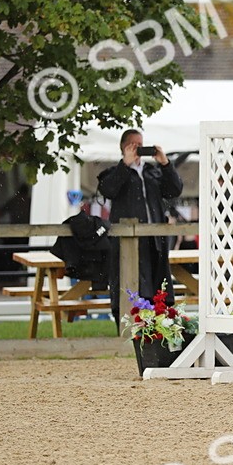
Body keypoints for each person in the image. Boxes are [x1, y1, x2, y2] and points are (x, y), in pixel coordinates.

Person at [97, 129, 184, 327]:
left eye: (141, 145)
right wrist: (125, 164)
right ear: (124, 147)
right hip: (127, 241)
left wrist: (165, 163)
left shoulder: (151, 172)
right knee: (129, 281)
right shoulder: (115, 173)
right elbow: (109, 189)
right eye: (134, 145)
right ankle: (129, 324)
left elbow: (175, 190)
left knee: (157, 282)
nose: (138, 149)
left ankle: (158, 325)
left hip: (154, 239)